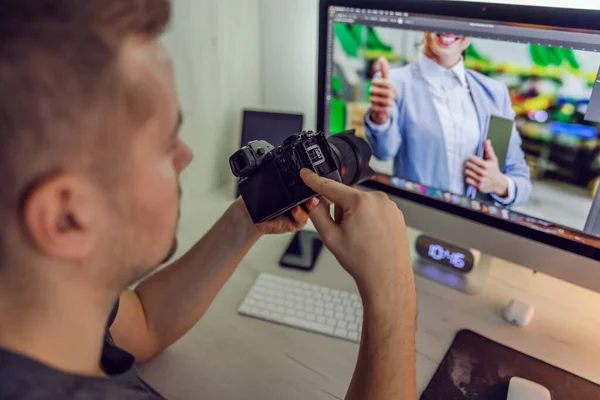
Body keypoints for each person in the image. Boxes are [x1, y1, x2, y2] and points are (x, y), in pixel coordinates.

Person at [0, 1, 417, 399]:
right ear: (67, 217)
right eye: (165, 145)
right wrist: (393, 294)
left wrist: (246, 220)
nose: (186, 157)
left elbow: (144, 324)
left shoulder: (45, 306)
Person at [365, 32, 532, 208]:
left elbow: (519, 176)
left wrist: (500, 184)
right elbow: (384, 151)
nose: (450, 29)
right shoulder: (396, 83)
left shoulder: (494, 94)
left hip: (479, 227)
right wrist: (380, 118)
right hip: (420, 218)